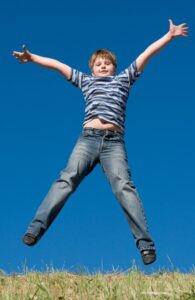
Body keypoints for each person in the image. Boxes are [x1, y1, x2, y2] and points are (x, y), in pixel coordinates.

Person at [13, 19, 188, 265]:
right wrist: (33, 58)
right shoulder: (86, 81)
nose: (103, 66)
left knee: (124, 187)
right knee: (66, 180)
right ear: (92, 69)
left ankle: (146, 246)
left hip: (114, 143)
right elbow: (59, 66)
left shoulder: (124, 80)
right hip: (88, 140)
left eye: (107, 63)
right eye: (98, 64)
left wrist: (168, 37)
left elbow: (146, 53)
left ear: (114, 68)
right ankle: (35, 229)